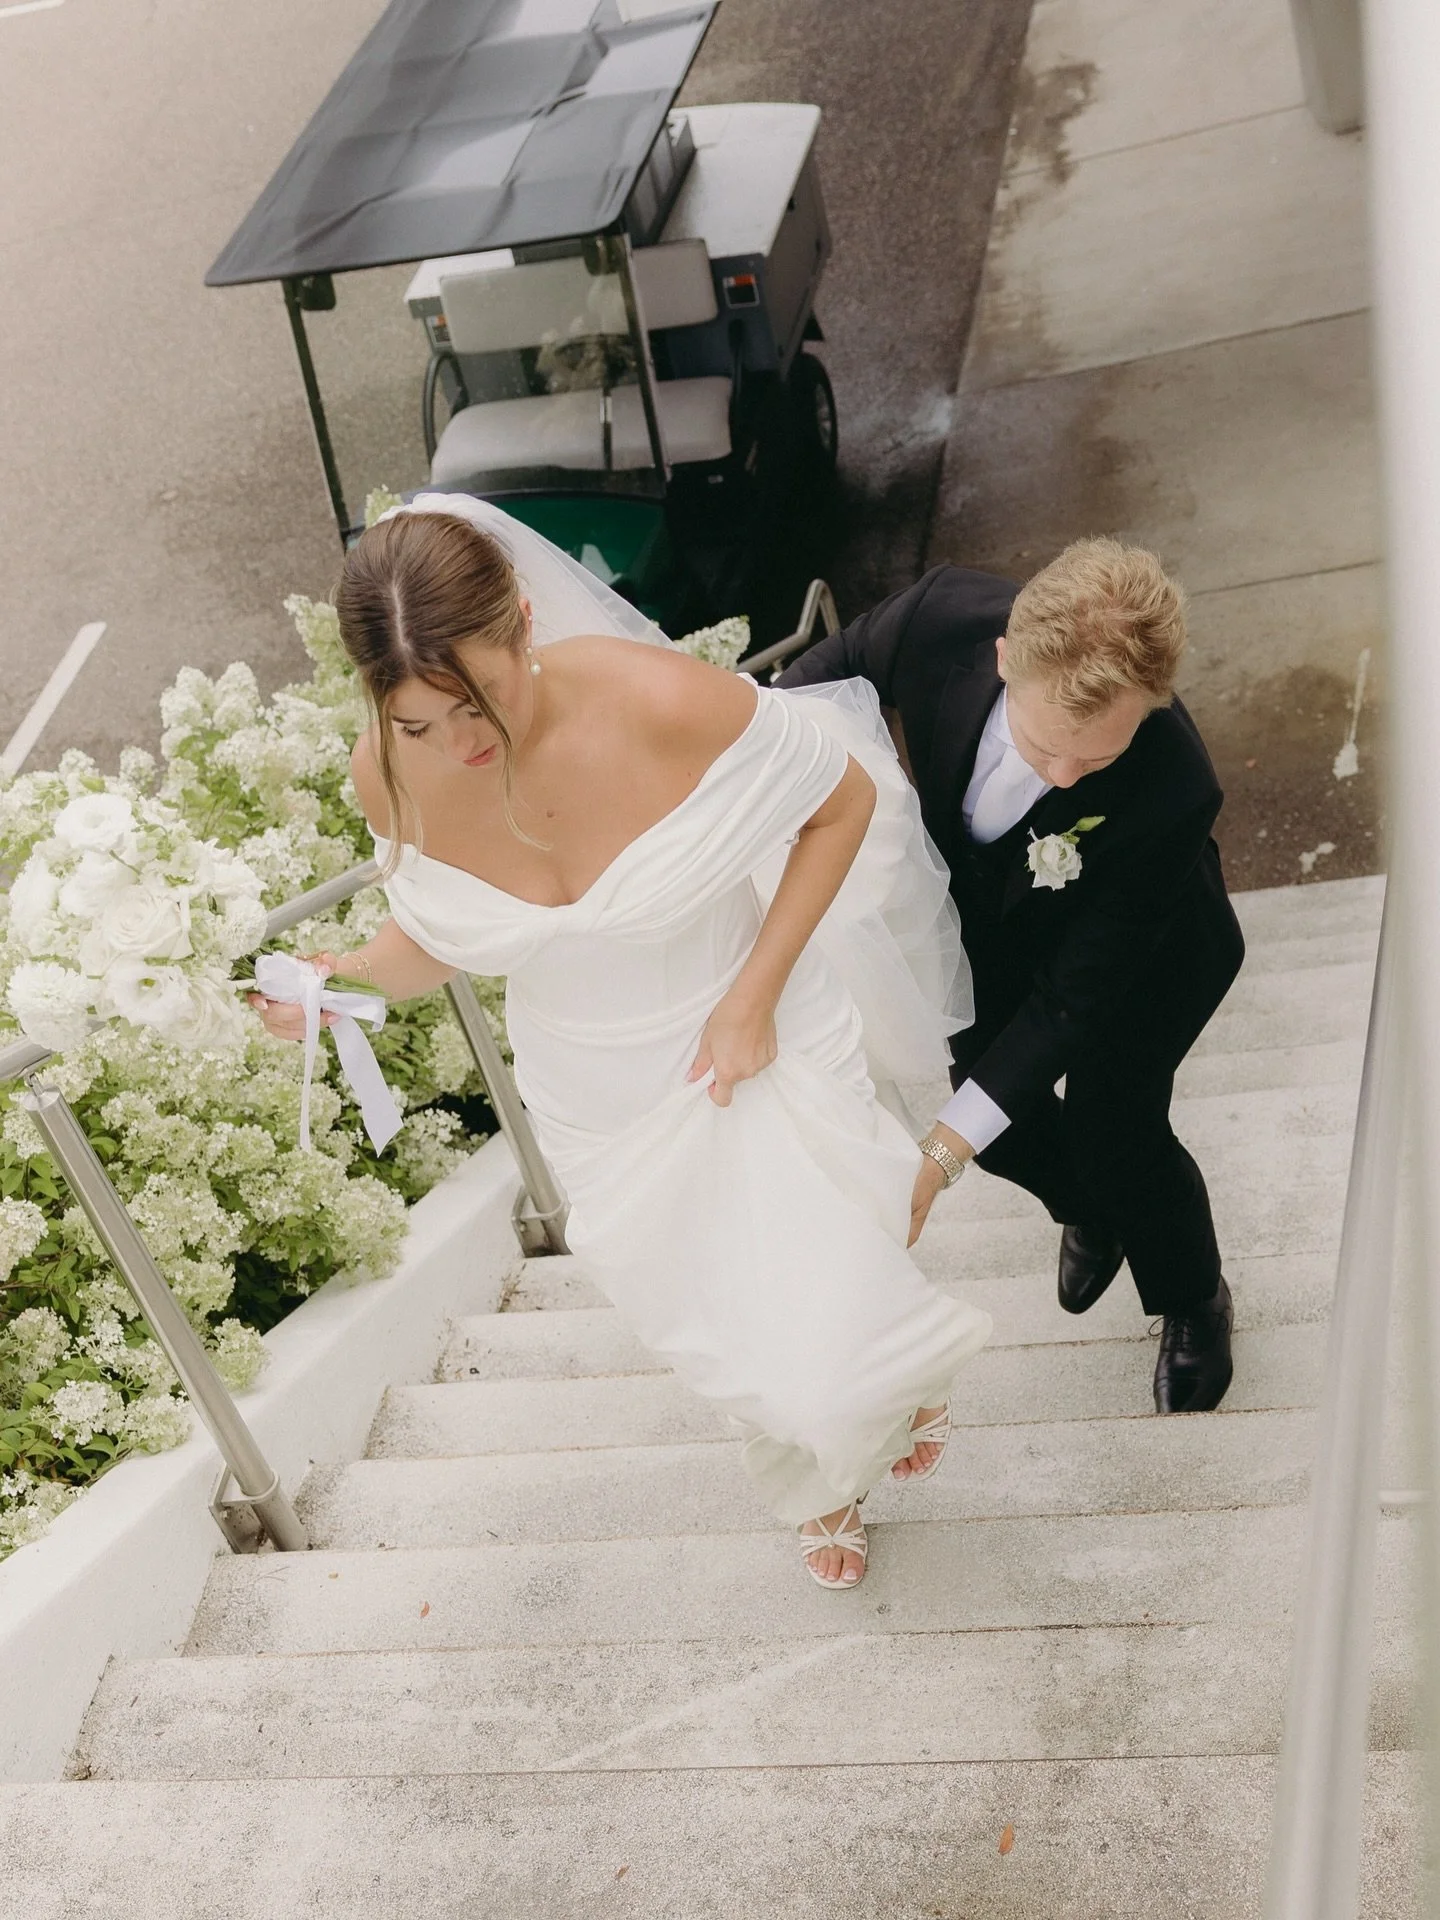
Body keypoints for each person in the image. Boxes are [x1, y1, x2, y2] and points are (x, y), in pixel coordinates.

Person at [251, 494, 990, 1591]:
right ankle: (840, 1441)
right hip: (598, 1094)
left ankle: (831, 1459)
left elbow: (839, 802)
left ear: (522, 630)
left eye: (479, 704)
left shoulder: (657, 701)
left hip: (757, 1035)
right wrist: (337, 980)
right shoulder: (389, 772)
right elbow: (438, 936)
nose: (457, 746)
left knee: (821, 1295)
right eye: (416, 721)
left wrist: (752, 996)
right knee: (722, 1327)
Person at [782, 540, 1245, 1413]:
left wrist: (934, 1157)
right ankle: (1092, 1206)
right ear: (1002, 658)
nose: (1064, 778)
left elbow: (1072, 1001)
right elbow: (811, 685)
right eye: (1043, 748)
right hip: (990, 928)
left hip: (1151, 958)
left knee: (1119, 1128)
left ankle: (1193, 1297)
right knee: (999, 1120)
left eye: (1095, 763)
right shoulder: (939, 616)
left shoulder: (1176, 787)